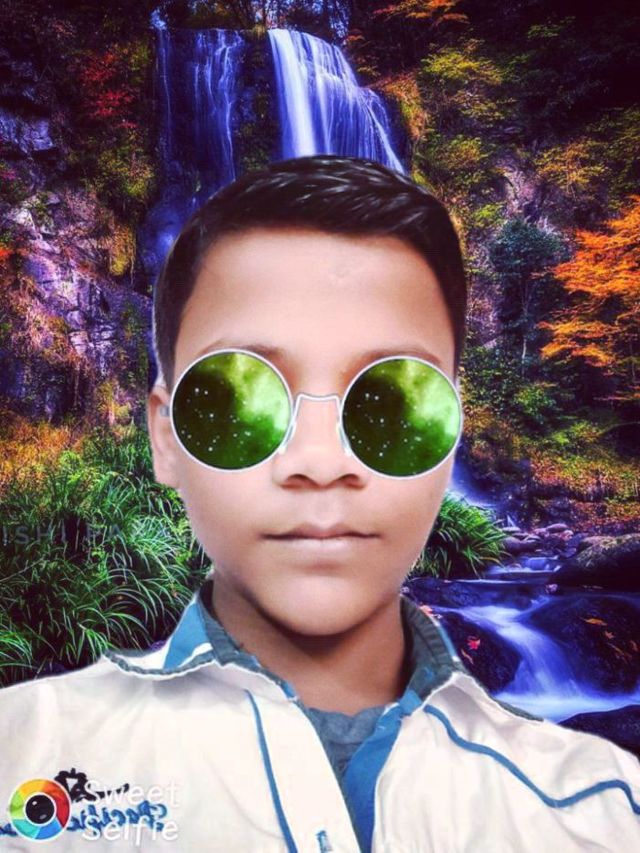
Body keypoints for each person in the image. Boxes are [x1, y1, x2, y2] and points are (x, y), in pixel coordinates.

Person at [1, 155, 638, 851]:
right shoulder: (22, 761)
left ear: (456, 432)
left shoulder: (603, 812)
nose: (320, 461)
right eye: (233, 396)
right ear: (166, 439)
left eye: (392, 401)